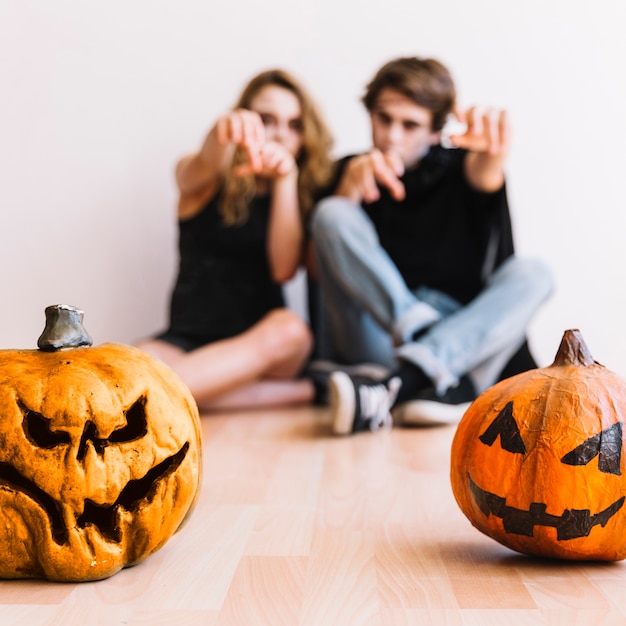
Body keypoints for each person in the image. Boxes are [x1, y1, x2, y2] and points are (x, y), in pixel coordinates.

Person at [310, 56, 553, 434]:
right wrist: (347, 193)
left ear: (436, 131)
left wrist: (493, 152)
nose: (392, 136)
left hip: (457, 330)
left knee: (535, 273)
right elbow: (313, 273)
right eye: (384, 119)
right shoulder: (348, 171)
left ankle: (400, 384)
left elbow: (485, 172)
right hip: (380, 339)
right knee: (332, 213)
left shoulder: (462, 168)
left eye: (410, 125)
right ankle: (435, 371)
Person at [136, 69, 334, 411]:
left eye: (294, 124)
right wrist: (221, 132)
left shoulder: (298, 196)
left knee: (292, 330)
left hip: (267, 346)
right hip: (187, 341)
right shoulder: (205, 180)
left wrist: (285, 179)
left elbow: (284, 270)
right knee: (128, 365)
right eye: (267, 119)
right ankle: (303, 392)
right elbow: (198, 166)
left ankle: (160, 396)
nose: (280, 134)